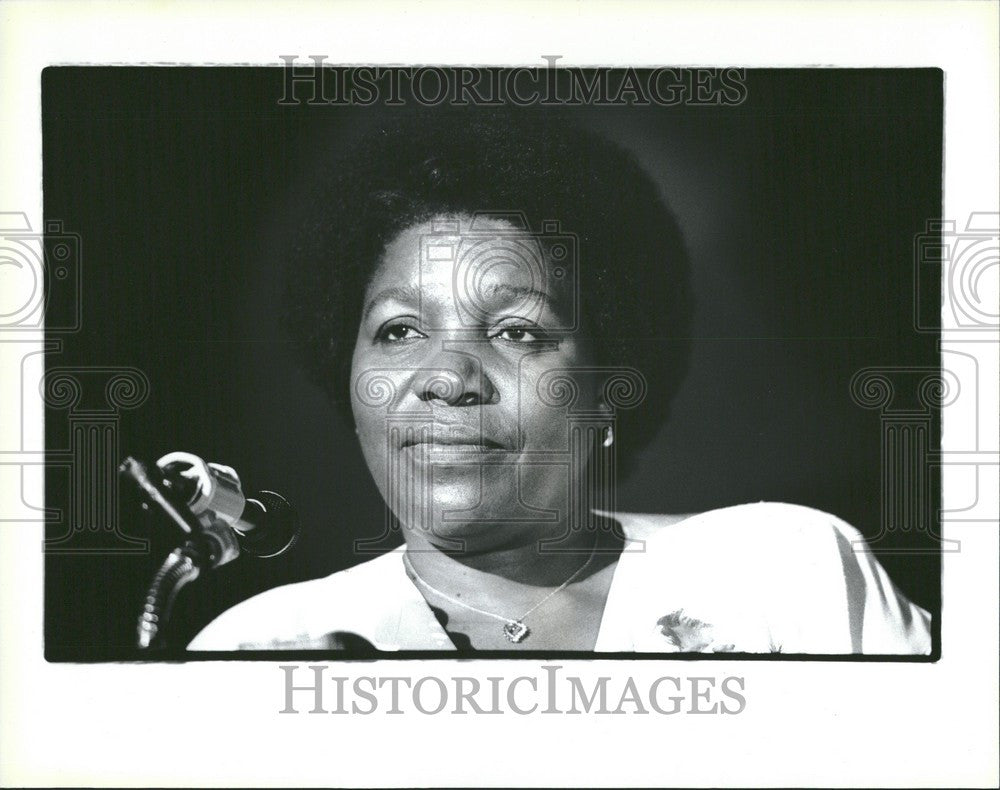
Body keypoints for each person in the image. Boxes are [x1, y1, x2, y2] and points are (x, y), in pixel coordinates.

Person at [188, 108, 931, 654]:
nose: (445, 378)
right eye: (400, 331)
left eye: (517, 332)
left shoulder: (786, 574)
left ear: (608, 383)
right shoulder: (262, 648)